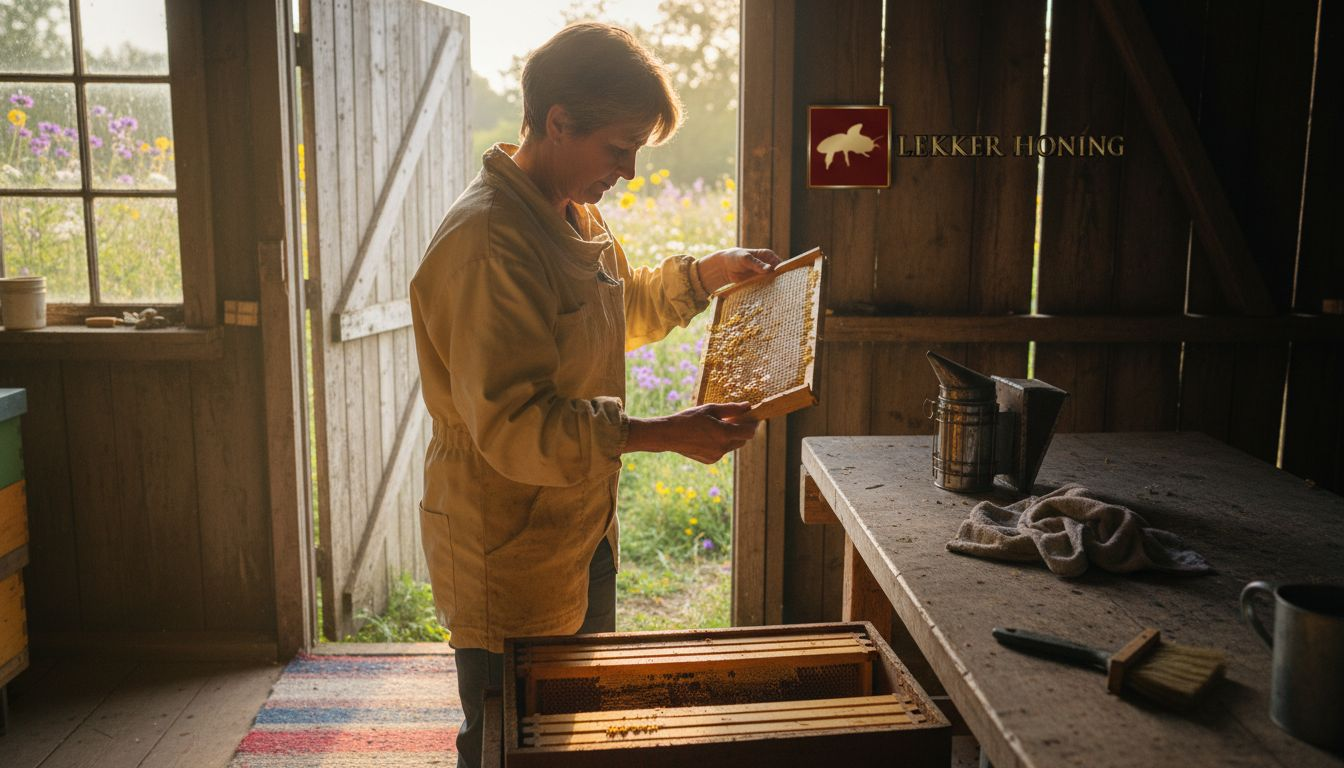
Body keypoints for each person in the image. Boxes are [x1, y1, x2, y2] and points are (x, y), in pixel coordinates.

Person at [409, 21, 780, 768]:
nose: (630, 170)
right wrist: (665, 432)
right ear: (557, 123)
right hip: (503, 541)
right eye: (619, 148)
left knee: (569, 728)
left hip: (578, 531)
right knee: (505, 740)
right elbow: (517, 428)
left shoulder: (575, 217)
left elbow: (615, 317)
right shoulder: (491, 244)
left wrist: (704, 275)